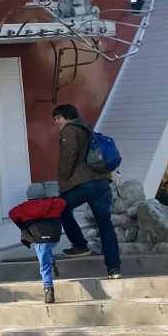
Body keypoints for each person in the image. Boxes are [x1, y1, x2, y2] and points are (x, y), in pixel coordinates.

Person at [53, 103, 122, 279]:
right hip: (102, 182)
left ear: (66, 117)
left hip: (84, 184)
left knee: (60, 207)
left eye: (58, 118)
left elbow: (67, 158)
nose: (57, 122)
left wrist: (62, 182)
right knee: (105, 226)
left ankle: (80, 245)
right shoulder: (87, 128)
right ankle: (114, 269)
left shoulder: (69, 130)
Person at [10, 183, 66, 304]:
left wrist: (24, 225)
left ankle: (48, 289)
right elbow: (64, 203)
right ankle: (52, 262)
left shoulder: (24, 207)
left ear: (29, 195)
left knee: (43, 263)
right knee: (47, 249)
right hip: (54, 237)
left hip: (38, 237)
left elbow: (12, 214)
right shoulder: (55, 203)